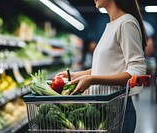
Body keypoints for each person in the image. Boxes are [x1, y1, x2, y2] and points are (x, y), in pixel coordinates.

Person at [57, 0, 147, 133]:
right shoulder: (112, 25)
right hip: (104, 110)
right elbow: (106, 68)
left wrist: (93, 80)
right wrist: (78, 75)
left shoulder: (126, 22)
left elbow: (137, 71)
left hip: (118, 110)